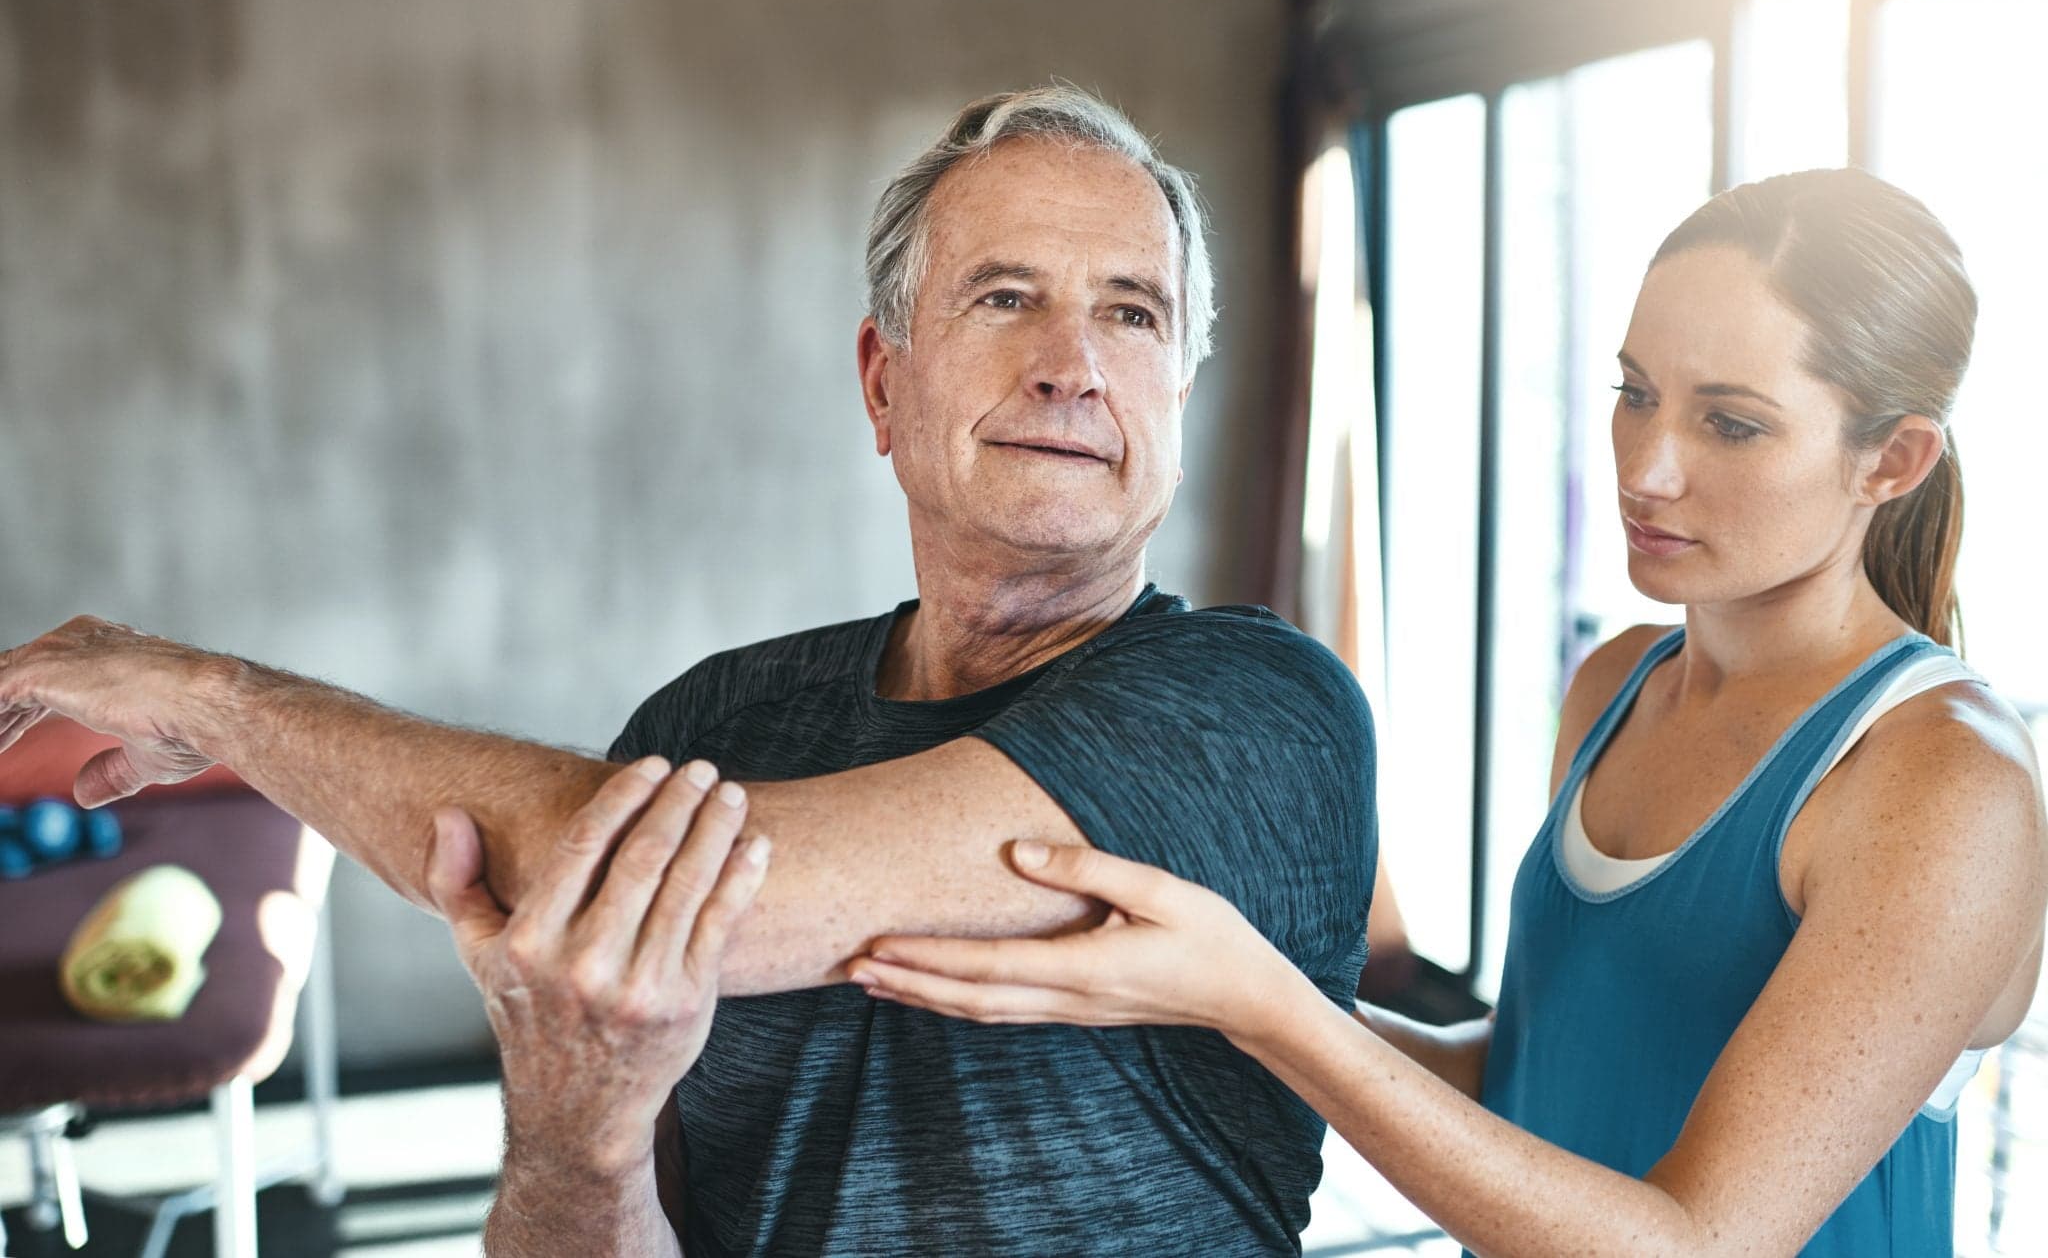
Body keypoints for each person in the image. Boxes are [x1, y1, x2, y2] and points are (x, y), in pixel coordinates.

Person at [0, 86, 1377, 1256]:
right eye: (1005, 296)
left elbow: (664, 885)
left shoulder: (1260, 712)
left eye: (1131, 313)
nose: (1071, 365)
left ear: (1175, 396)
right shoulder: (717, 720)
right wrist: (577, 1135)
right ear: (882, 381)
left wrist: (218, 697)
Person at [846, 168, 2048, 1256]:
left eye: (1728, 422)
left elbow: (1694, 1242)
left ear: (1890, 460)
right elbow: (1524, 1080)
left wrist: (1260, 1001)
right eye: (1634, 393)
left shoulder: (1942, 783)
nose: (1645, 468)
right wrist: (1209, 974)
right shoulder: (1616, 685)